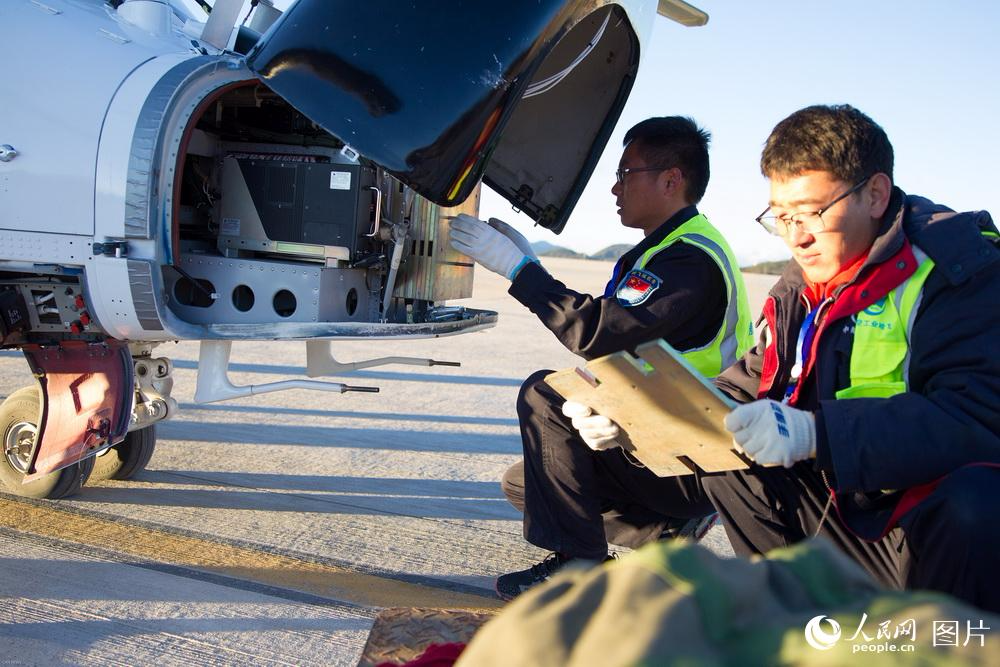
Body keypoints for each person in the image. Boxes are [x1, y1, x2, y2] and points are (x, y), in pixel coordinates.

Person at [672, 104, 1000, 612]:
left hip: (924, 523)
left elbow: (975, 417)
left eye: (811, 214)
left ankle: (948, 643)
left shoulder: (959, 272)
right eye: (781, 217)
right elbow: (753, 384)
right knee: (731, 454)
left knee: (976, 501)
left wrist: (815, 435)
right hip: (845, 509)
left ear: (875, 194)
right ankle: (800, 625)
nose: (796, 236)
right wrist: (645, 408)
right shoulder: (802, 285)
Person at [448, 116, 754, 601]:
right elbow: (615, 322)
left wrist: (518, 270)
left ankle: (579, 569)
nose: (614, 188)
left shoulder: (688, 260)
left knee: (544, 393)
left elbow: (597, 333)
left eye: (626, 173)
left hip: (695, 453)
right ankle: (665, 530)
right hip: (673, 439)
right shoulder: (666, 250)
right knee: (524, 486)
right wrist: (536, 268)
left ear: (671, 179)